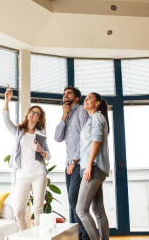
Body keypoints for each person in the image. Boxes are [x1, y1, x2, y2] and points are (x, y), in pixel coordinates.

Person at [3, 84, 51, 231]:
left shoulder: (41, 134)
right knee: (19, 211)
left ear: (39, 119)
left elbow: (48, 156)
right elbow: (6, 120)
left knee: (38, 210)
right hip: (22, 174)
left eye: (36, 113)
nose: (32, 113)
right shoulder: (18, 130)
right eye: (31, 111)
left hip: (38, 173)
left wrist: (41, 150)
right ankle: (25, 236)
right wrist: (7, 100)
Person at [54, 86, 89, 240]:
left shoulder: (81, 111)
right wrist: (63, 116)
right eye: (64, 94)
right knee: (74, 201)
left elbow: (85, 138)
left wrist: (74, 161)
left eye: (69, 93)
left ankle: (86, 236)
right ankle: (83, 235)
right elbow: (57, 138)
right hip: (69, 164)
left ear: (76, 98)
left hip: (78, 164)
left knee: (75, 201)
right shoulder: (67, 115)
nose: (65, 96)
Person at [76, 92, 110, 240]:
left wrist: (89, 165)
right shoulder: (94, 118)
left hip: (94, 168)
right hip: (98, 168)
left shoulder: (96, 117)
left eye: (89, 98)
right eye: (85, 98)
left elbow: (97, 140)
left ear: (97, 103)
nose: (85, 100)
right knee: (98, 210)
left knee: (81, 210)